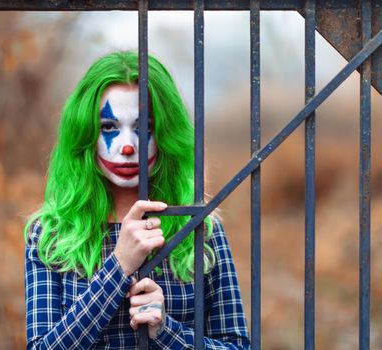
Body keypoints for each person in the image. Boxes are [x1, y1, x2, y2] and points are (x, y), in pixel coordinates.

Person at [24, 51, 250, 349]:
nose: (127, 146)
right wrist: (118, 267)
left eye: (145, 128)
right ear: (85, 135)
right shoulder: (50, 232)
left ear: (166, 135)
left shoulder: (200, 228)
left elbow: (237, 346)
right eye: (109, 127)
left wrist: (167, 331)